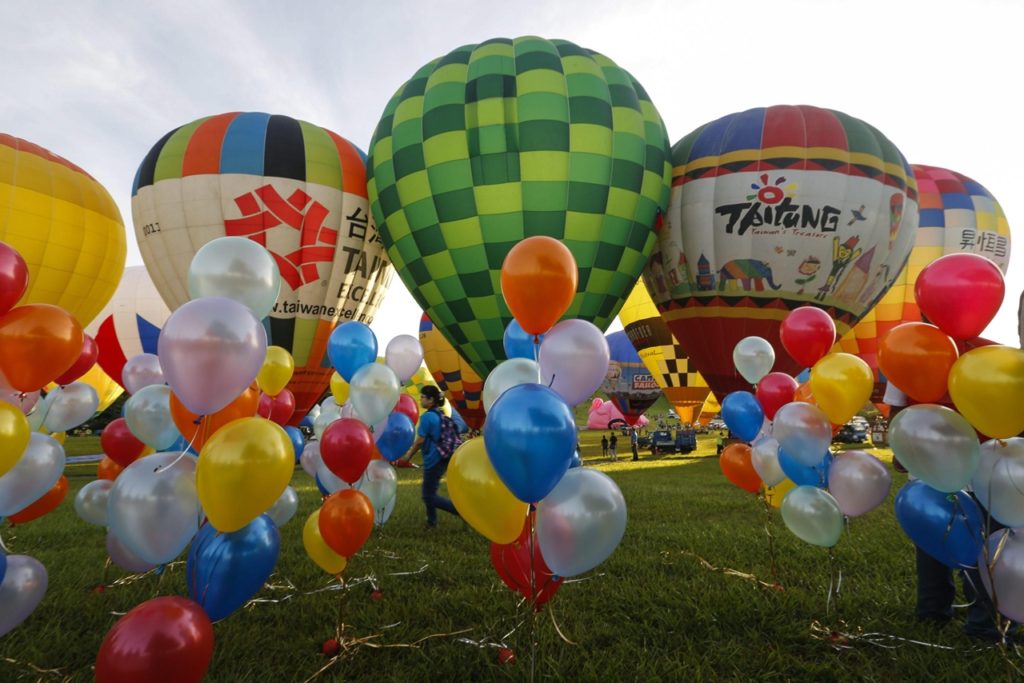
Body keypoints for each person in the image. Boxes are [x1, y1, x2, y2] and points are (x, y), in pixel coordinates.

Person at [398, 386, 459, 529]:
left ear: (431, 400)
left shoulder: (427, 417)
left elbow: (420, 440)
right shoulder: (440, 414)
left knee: (428, 496)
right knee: (430, 491)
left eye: (423, 397)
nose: (421, 399)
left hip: (434, 459)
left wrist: (408, 456)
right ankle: (431, 522)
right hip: (443, 457)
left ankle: (460, 512)